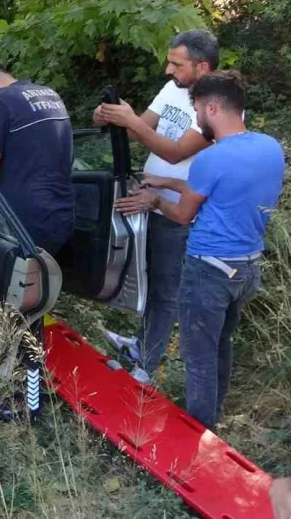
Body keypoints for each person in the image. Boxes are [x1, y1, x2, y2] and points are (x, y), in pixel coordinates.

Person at [123, 71, 284, 429]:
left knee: (198, 358)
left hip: (208, 272)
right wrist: (167, 181)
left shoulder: (211, 158)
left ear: (211, 107)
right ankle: (216, 416)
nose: (196, 117)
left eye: (196, 109)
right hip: (246, 269)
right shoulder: (269, 147)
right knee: (221, 344)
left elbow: (182, 215)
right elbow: (224, 190)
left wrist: (154, 200)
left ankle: (199, 435)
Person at [95, 29, 219, 384]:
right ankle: (142, 344)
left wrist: (130, 119)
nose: (168, 70)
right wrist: (113, 118)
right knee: (144, 275)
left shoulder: (214, 108)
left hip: (178, 209)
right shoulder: (174, 89)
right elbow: (142, 130)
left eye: (176, 64)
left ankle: (145, 368)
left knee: (166, 288)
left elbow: (174, 151)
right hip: (148, 198)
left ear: (203, 67)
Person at [0, 54, 75, 255]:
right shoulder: (49, 94)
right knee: (42, 280)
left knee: (18, 284)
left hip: (22, 222)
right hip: (61, 212)